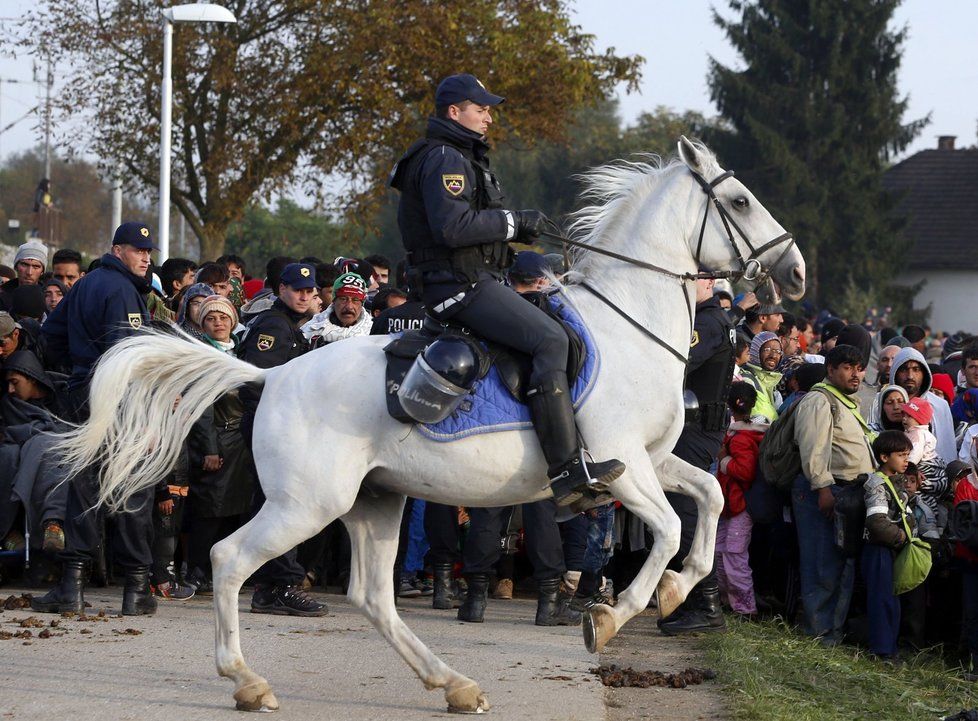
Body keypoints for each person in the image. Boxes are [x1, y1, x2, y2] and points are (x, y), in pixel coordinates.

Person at [390, 73, 624, 507]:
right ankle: (567, 471)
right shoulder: (444, 158)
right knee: (550, 339)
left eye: (489, 109)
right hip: (460, 286)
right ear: (453, 112)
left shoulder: (459, 155)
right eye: (481, 109)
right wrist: (513, 223)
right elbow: (451, 227)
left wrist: (513, 238)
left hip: (476, 279)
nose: (489, 117)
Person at [32, 222, 156, 616]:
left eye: (148, 251)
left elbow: (49, 336)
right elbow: (128, 357)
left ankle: (73, 587)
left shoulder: (85, 283)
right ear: (117, 250)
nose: (146, 256)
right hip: (118, 398)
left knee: (84, 490)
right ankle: (136, 589)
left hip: (83, 392)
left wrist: (76, 373)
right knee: (132, 487)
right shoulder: (122, 291)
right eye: (138, 250)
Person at [238, 262, 326, 617]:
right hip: (272, 427)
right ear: (281, 291)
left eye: (310, 291)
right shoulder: (275, 325)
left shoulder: (292, 326)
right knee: (285, 503)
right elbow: (257, 382)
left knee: (274, 503)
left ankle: (269, 586)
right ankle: (282, 584)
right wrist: (277, 426)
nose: (305, 295)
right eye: (297, 289)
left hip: (279, 426)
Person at [659, 274, 736, 635]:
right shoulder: (712, 317)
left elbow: (679, 361)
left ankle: (705, 604)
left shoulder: (705, 322)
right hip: (699, 424)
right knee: (685, 510)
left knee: (688, 513)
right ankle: (693, 600)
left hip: (697, 426)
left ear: (705, 283)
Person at [792, 344, 875, 645]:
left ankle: (832, 634)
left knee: (842, 569)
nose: (856, 374)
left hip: (846, 494)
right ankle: (819, 634)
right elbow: (813, 449)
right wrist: (823, 489)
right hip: (825, 492)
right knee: (821, 565)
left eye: (859, 367)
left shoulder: (847, 402)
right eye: (848, 367)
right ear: (830, 369)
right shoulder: (819, 400)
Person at [714, 382, 766, 618]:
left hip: (739, 505)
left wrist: (724, 460)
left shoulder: (741, 437)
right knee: (720, 551)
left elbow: (745, 471)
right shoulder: (747, 432)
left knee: (734, 555)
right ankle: (727, 599)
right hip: (731, 505)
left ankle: (745, 608)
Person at [862, 430, 914, 659]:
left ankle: (889, 646)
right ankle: (882, 650)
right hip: (879, 549)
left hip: (890, 549)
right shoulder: (876, 484)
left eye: (907, 455)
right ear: (884, 457)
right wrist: (902, 538)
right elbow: (877, 522)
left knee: (892, 599)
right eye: (901, 455)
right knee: (882, 599)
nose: (906, 460)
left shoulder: (896, 483)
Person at [889, 347, 956, 463]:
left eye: (916, 369)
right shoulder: (880, 402)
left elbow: (947, 450)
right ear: (895, 372)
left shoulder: (939, 405)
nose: (910, 376)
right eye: (904, 370)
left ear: (924, 373)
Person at [301, 272, 372, 346]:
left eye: (355, 300)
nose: (349, 306)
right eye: (343, 299)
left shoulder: (373, 332)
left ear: (362, 304)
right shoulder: (310, 330)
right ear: (334, 301)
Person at [739, 331, 783, 423]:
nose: (773, 355)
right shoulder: (746, 380)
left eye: (778, 351)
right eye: (767, 350)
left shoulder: (773, 388)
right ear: (755, 352)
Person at [0, 239, 48, 313]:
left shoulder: (49, 298)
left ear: (42, 271)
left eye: (36, 266)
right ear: (16, 266)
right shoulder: (2, 298)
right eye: (24, 265)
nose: (29, 272)